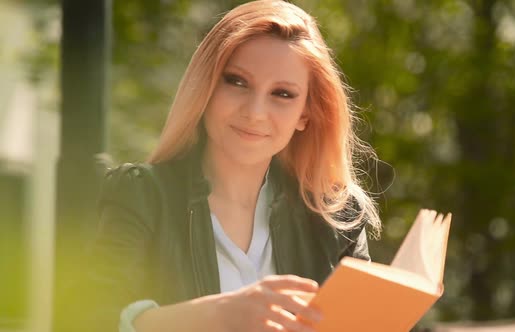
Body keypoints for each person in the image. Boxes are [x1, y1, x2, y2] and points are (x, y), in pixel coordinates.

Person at [83, 1, 382, 331]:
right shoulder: (141, 194)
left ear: (306, 114)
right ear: (207, 87)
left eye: (282, 94)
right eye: (237, 82)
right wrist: (217, 315)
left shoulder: (336, 215)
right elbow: (86, 319)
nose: (254, 112)